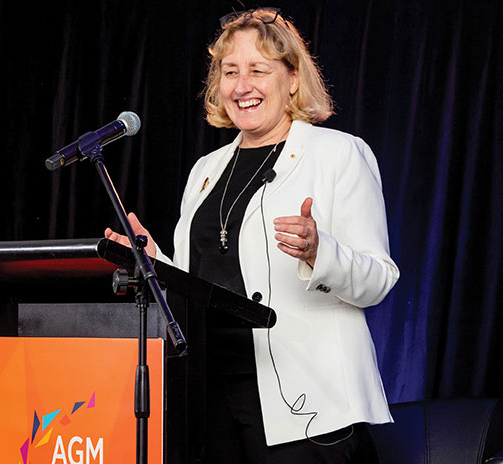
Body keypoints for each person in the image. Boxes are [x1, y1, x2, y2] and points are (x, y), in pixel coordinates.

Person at [106, 8, 399, 463]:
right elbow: (199, 282)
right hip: (211, 399)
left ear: (293, 78)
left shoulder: (338, 154)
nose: (242, 86)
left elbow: (379, 278)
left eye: (258, 70)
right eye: (230, 72)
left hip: (307, 408)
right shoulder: (206, 170)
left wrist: (322, 253)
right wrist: (151, 259)